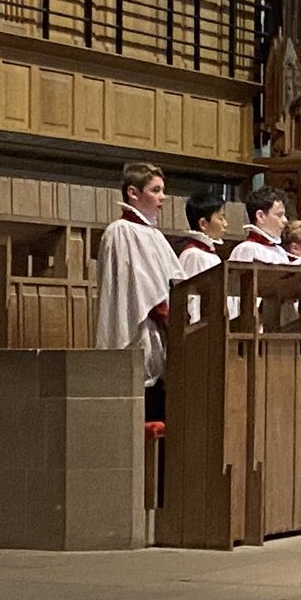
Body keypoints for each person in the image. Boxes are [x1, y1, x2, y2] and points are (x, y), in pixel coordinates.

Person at [94, 162, 185, 421]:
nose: (162, 197)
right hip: (137, 333)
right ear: (133, 193)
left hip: (161, 335)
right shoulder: (122, 231)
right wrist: (171, 319)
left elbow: (177, 281)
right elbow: (143, 290)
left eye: (163, 190)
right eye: (155, 190)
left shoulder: (153, 234)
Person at [179, 192, 228, 323]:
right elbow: (191, 298)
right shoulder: (193, 255)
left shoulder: (208, 254)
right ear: (203, 224)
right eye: (221, 218)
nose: (225, 224)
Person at [228, 188, 292, 264]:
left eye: (284, 215)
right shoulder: (246, 249)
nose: (285, 220)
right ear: (260, 216)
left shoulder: (280, 251)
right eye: (279, 215)